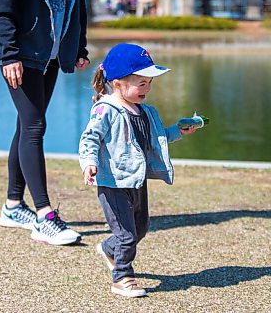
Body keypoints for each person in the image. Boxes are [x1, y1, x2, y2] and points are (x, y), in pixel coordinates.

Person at [78, 43, 198, 297]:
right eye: (141, 83)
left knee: (139, 229)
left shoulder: (146, 112)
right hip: (113, 182)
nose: (147, 88)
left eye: (149, 83)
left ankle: (109, 249)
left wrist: (178, 129)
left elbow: (157, 138)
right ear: (118, 83)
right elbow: (89, 139)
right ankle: (121, 277)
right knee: (126, 235)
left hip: (136, 180)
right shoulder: (105, 109)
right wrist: (89, 162)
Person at [0, 0, 90, 245]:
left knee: (26, 125)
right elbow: (3, 10)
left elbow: (77, 6)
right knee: (34, 126)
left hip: (52, 55)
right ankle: (44, 216)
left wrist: (79, 46)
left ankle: (12, 206)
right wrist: (9, 55)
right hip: (22, 55)